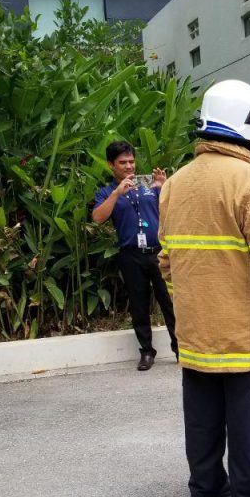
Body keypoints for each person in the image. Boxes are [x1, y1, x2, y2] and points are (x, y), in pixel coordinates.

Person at [158, 79, 250, 497]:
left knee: (201, 414)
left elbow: (167, 261)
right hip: (243, 331)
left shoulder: (176, 183)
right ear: (243, 127)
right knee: (245, 415)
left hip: (195, 329)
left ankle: (205, 488)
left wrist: (189, 308)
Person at [92, 141, 177, 371]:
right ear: (111, 165)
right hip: (131, 255)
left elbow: (174, 210)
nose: (129, 166)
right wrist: (117, 193)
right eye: (122, 163)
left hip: (158, 253)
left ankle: (180, 349)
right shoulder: (106, 192)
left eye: (131, 161)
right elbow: (98, 218)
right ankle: (147, 352)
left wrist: (164, 186)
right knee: (139, 306)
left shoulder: (149, 184)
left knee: (169, 302)